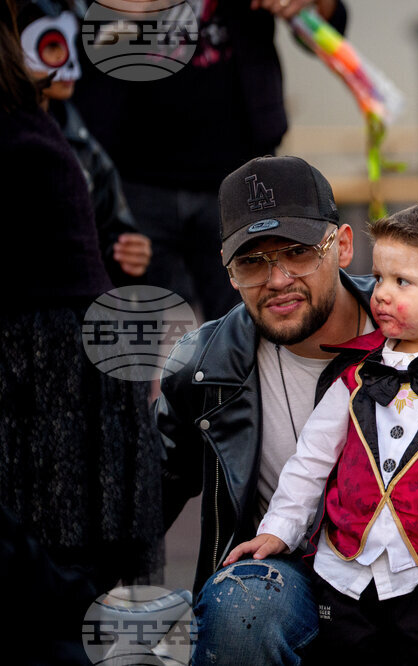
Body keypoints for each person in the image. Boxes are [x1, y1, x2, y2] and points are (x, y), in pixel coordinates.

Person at [224, 202, 418, 665]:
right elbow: (311, 458)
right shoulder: (357, 371)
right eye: (379, 276)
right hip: (342, 570)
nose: (379, 293)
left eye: (402, 282)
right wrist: (279, 529)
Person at [156, 155, 375, 664]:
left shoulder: (412, 333)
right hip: (283, 577)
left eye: (297, 252)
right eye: (252, 261)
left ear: (341, 246)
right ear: (229, 272)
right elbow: (141, 500)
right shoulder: (203, 365)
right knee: (243, 605)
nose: (276, 279)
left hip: (417, 562)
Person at [1, 0, 162, 596]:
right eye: (46, 42)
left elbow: (108, 234)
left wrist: (125, 251)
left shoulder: (75, 147)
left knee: (61, 564)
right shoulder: (32, 139)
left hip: (68, 357)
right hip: (38, 358)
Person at [73, 0, 347, 321]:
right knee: (134, 339)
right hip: (127, 175)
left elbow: (328, 29)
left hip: (241, 175)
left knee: (247, 330)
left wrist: (314, 4)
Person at [16, 0, 150, 285]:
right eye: (52, 46)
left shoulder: (80, 138)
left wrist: (126, 251)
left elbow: (111, 228)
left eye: (72, 43)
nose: (71, 62)